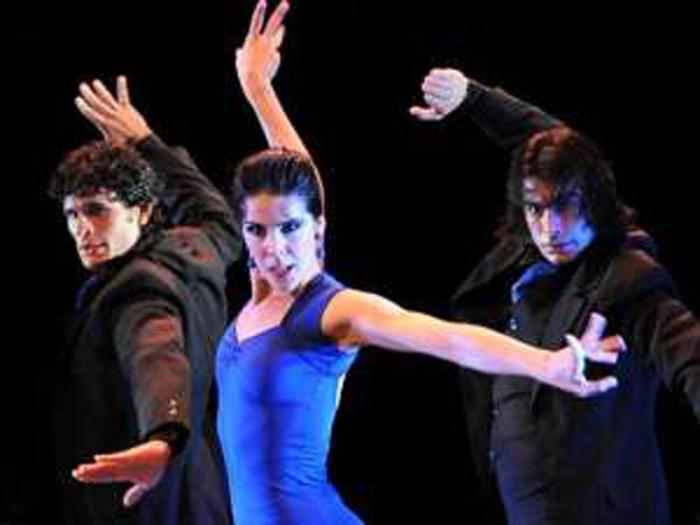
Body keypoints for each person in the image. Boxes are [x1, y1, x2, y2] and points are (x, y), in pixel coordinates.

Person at [218, 3, 625, 524]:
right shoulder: (263, 287)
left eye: (290, 229)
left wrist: (546, 364)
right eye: (256, 231)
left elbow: (442, 337)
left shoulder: (334, 310)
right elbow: (294, 183)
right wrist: (257, 87)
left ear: (318, 226)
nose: (273, 249)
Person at [411, 69, 700, 524]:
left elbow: (686, 352)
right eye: (536, 209)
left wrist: (479, 100)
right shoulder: (524, 258)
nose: (550, 228)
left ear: (594, 200)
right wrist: (471, 98)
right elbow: (548, 145)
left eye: (565, 206)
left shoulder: (627, 277)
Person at [50, 77, 238, 524]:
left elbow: (156, 352)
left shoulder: (136, 292)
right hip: (201, 495)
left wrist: (163, 435)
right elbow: (218, 217)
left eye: (97, 210)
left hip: (145, 504)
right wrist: (145, 142)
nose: (82, 229)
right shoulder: (194, 249)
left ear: (142, 211)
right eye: (72, 214)